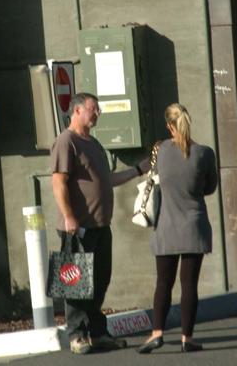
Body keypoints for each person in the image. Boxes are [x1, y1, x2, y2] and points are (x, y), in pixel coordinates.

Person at [51, 92, 148, 355]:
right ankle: (77, 336)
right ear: (78, 110)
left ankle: (98, 333)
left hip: (100, 226)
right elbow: (58, 182)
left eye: (98, 109)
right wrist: (69, 216)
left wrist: (140, 169)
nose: (98, 113)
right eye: (93, 109)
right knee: (76, 283)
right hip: (78, 227)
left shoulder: (93, 143)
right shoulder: (66, 141)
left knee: (100, 280)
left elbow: (107, 180)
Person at [136, 103, 217, 354]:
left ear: (168, 125)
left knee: (163, 282)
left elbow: (144, 172)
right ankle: (187, 338)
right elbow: (210, 187)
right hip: (194, 225)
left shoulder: (160, 151)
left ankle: (157, 333)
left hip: (166, 226)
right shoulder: (205, 153)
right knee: (189, 284)